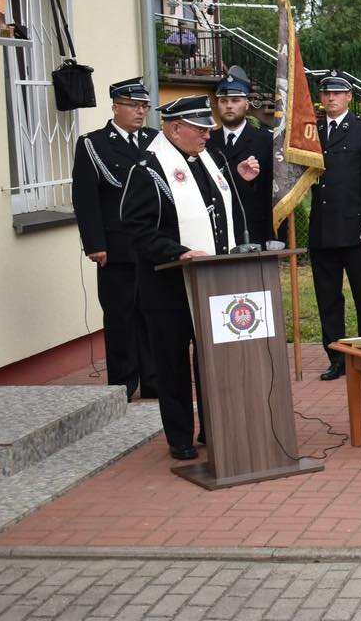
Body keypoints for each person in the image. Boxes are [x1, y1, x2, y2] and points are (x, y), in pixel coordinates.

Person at [119, 95, 259, 461]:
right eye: (200, 129)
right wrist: (177, 252)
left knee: (213, 359)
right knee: (173, 364)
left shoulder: (209, 161)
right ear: (175, 128)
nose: (207, 136)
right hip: (168, 286)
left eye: (208, 129)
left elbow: (217, 215)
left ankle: (213, 428)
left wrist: (240, 183)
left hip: (211, 281)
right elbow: (136, 228)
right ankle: (179, 436)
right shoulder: (149, 169)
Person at [71, 77, 159, 402]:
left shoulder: (155, 140)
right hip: (116, 248)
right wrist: (95, 244)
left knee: (152, 313)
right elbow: (85, 198)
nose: (140, 112)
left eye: (144, 106)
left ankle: (154, 380)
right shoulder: (94, 144)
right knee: (120, 316)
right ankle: (123, 383)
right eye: (133, 105)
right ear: (115, 107)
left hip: (151, 246)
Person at [308, 71, 361, 382]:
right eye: (327, 93)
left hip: (356, 229)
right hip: (323, 229)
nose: (331, 98)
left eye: (338, 93)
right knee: (328, 298)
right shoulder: (312, 132)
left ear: (349, 97)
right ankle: (337, 358)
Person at [207, 71, 275, 246]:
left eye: (235, 100)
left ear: (246, 104)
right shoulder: (206, 141)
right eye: (223, 101)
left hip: (252, 230)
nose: (229, 106)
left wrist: (273, 235)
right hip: (215, 230)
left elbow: (272, 191)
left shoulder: (265, 140)